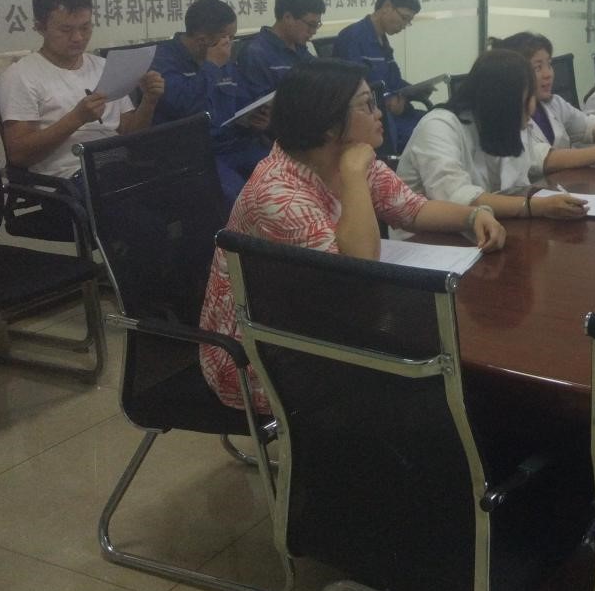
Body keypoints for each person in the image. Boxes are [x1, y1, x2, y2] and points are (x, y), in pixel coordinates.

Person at [199, 58, 506, 413]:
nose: (379, 113)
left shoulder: (348, 157)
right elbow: (358, 271)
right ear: (330, 125)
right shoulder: (279, 194)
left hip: (320, 320)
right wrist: (354, 175)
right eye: (366, 105)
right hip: (259, 356)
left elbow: (412, 209)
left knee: (442, 355)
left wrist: (474, 215)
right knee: (437, 370)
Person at [0, 0, 164, 185]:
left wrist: (149, 100)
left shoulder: (104, 67)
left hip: (118, 167)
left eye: (85, 27)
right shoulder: (20, 76)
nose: (78, 38)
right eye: (66, 30)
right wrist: (77, 118)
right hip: (68, 179)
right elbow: (19, 155)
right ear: (40, 27)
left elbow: (131, 134)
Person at [397, 50, 594, 220]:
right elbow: (457, 198)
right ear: (503, 101)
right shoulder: (439, 127)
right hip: (429, 241)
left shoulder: (502, 124)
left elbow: (518, 184)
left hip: (489, 227)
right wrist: (536, 206)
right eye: (528, 98)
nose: (533, 107)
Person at [151, 0, 271, 206]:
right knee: (239, 199)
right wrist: (212, 66)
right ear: (202, 40)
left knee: (290, 175)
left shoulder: (223, 59)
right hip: (194, 154)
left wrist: (255, 120)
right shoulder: (163, 60)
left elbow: (242, 102)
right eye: (227, 38)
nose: (230, 44)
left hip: (235, 144)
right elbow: (184, 106)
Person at [492, 31, 595, 153]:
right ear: (515, 74)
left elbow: (588, 127)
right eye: (537, 68)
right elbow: (544, 160)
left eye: (549, 65)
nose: (548, 74)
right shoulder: (509, 117)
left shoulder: (554, 103)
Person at [334, 0, 430, 153]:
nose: (404, 25)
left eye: (408, 21)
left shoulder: (383, 41)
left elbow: (394, 80)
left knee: (435, 122)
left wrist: (415, 90)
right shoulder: (353, 38)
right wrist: (388, 100)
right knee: (427, 135)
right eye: (404, 18)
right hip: (375, 119)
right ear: (387, 7)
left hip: (394, 114)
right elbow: (354, 88)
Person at [237, 0, 323, 99]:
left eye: (317, 25)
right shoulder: (255, 54)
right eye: (311, 25)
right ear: (288, 17)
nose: (313, 31)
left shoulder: (301, 49)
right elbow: (259, 105)